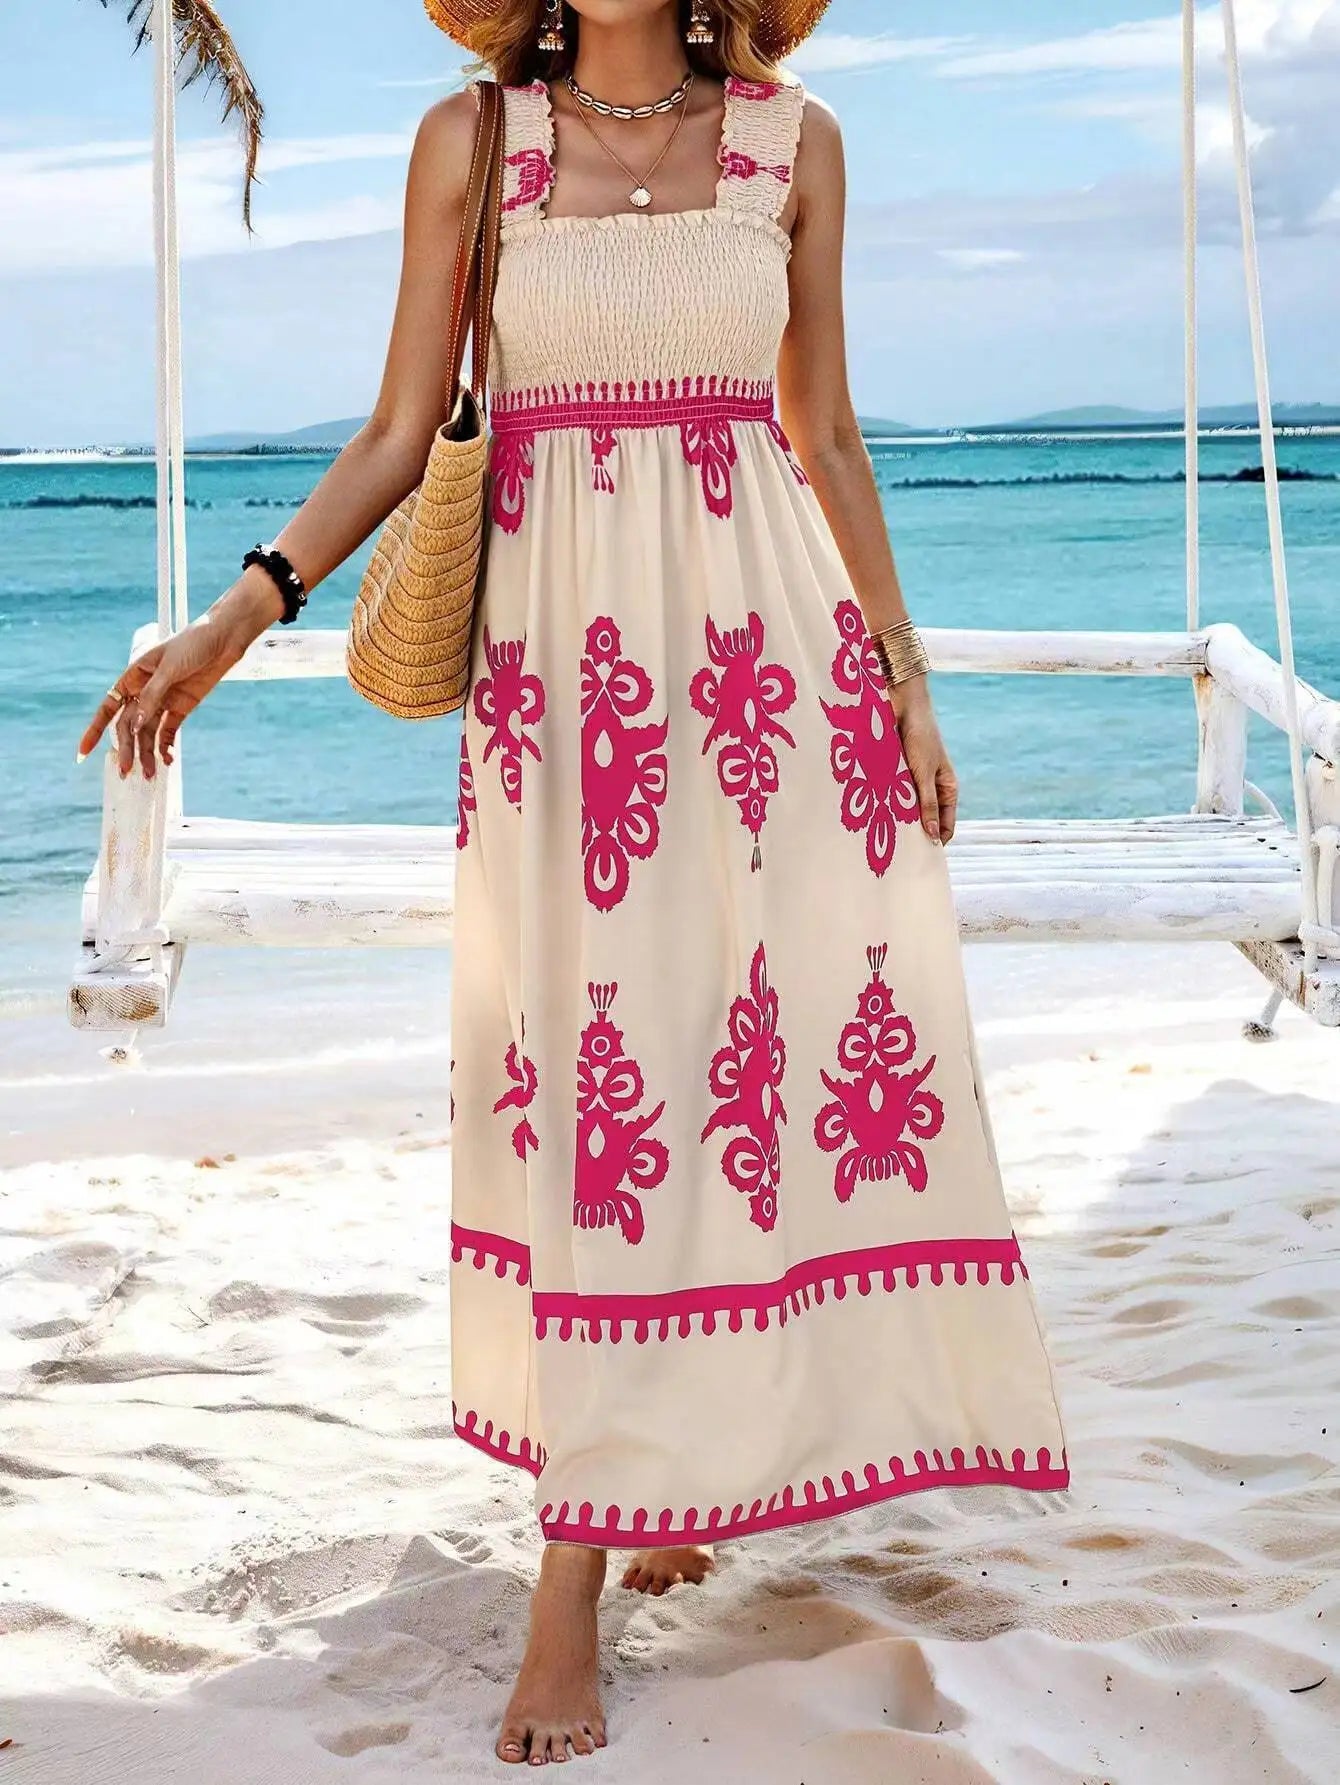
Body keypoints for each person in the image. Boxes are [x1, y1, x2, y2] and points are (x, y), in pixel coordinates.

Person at [80, 0, 1070, 1766]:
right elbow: (401, 432)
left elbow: (823, 434)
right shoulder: (476, 143)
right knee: (602, 1097)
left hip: (776, 679)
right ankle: (572, 1577)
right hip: (572, 693)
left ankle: (660, 1486)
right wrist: (238, 616)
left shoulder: (797, 141)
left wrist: (910, 677)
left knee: (734, 1061)